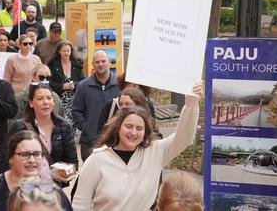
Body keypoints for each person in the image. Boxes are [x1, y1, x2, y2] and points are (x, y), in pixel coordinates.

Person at [72, 82, 202, 211]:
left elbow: (184, 137)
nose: (133, 132)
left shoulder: (155, 152)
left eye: (139, 128)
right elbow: (80, 205)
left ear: (145, 132)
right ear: (118, 128)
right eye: (128, 126)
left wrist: (191, 102)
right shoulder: (97, 160)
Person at [0, 131, 72, 211]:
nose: (32, 160)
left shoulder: (54, 193)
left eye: (37, 154)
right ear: (10, 158)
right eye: (25, 154)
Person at [9, 82, 78, 180]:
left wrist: (62, 173)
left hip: (53, 187)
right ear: (31, 103)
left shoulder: (64, 126)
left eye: (49, 98)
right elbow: (6, 161)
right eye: (40, 99)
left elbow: (72, 162)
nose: (46, 102)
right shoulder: (19, 127)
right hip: (24, 186)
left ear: (53, 101)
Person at [71, 50, 119, 161]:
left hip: (114, 142)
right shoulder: (84, 86)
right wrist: (87, 128)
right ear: (93, 64)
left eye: (103, 61)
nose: (100, 64)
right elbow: (76, 111)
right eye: (97, 62)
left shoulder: (119, 85)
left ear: (109, 63)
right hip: (90, 142)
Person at [48, 41, 84, 126]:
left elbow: (83, 81)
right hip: (59, 99)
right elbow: (49, 83)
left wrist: (73, 85)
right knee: (61, 123)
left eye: (68, 51)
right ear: (59, 51)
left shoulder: (77, 64)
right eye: (64, 51)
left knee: (74, 123)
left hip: (74, 99)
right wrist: (63, 86)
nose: (66, 53)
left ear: (71, 51)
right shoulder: (52, 64)